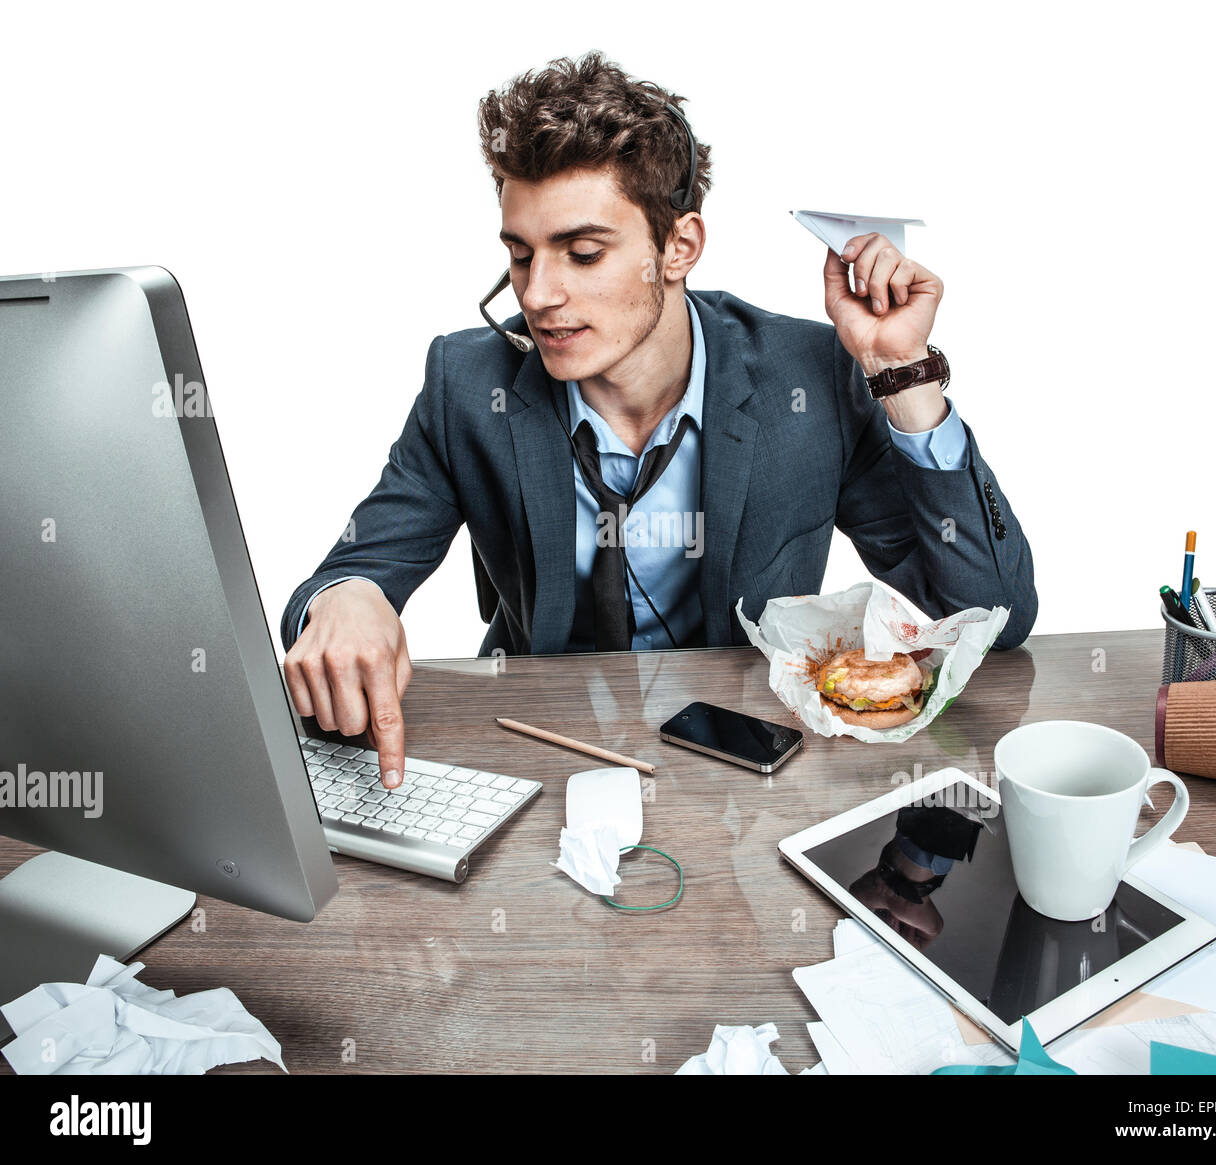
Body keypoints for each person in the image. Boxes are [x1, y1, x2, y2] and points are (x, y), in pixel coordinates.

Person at [281, 51, 1037, 787]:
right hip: (538, 752)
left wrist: (901, 375)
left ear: (679, 247)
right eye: (519, 256)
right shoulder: (468, 384)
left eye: (581, 253)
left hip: (747, 768)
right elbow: (352, 572)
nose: (537, 295)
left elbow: (990, 617)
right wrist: (350, 596)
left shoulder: (806, 381)